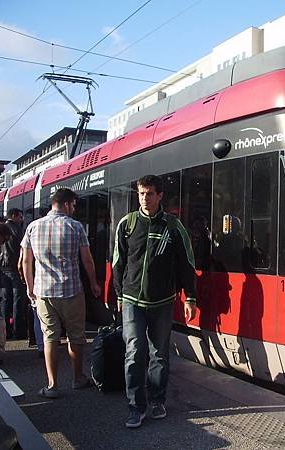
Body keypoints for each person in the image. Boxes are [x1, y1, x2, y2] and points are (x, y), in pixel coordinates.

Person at [113, 175, 197, 429]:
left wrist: (190, 297)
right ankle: (135, 407)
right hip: (132, 300)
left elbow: (186, 263)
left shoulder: (173, 226)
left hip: (162, 301)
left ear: (160, 196)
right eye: (141, 193)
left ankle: (157, 400)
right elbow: (119, 261)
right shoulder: (127, 224)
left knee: (159, 354)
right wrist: (118, 294)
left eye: (150, 194)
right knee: (134, 352)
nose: (145, 198)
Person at [21, 188, 101, 399]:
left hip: (43, 293)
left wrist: (30, 288)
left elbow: (26, 262)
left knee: (50, 338)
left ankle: (52, 385)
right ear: (67, 204)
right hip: (71, 290)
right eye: (74, 205)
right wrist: (93, 282)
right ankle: (77, 379)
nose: (74, 209)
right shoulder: (75, 227)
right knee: (76, 336)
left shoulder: (33, 227)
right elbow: (87, 260)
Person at [0, 209, 27, 339]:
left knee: (5, 300)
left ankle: (3, 331)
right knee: (17, 300)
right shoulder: (16, 229)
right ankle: (18, 330)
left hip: (2, 268)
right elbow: (22, 249)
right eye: (20, 217)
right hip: (14, 269)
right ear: (14, 216)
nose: (21, 220)